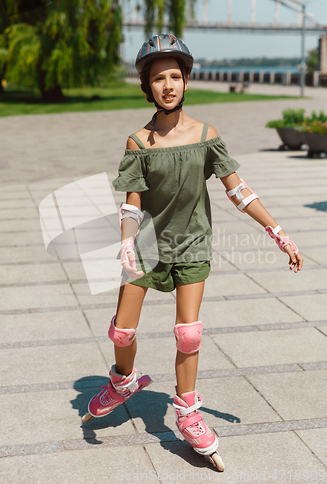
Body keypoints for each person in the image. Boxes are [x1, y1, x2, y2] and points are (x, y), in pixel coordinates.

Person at [82, 34, 303, 470]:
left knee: (189, 333)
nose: (168, 84)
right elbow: (131, 203)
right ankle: (123, 380)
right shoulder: (139, 142)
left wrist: (277, 231)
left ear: (186, 81)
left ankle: (188, 413)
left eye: (175, 76)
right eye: (158, 78)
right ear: (147, 86)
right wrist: (127, 238)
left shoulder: (206, 136)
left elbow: (237, 191)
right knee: (122, 334)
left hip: (192, 242)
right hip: (146, 245)